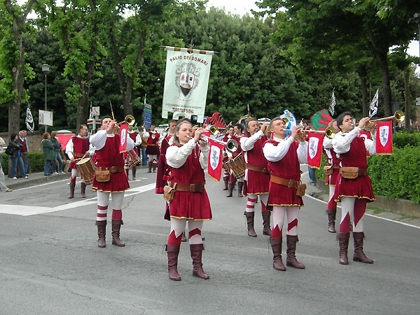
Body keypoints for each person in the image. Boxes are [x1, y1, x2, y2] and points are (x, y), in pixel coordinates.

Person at [164, 119, 211, 281]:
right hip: (181, 194)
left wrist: (205, 148)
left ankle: (197, 267)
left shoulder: (196, 148)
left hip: (197, 193)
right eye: (184, 130)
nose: (188, 132)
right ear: (177, 133)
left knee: (196, 232)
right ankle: (172, 268)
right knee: (177, 231)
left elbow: (205, 166)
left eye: (190, 130)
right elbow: (178, 160)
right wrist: (193, 141)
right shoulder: (172, 149)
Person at [263, 118, 308, 271]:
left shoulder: (293, 143)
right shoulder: (269, 145)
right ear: (271, 130)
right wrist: (291, 138)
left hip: (294, 187)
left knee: (293, 223)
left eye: (283, 124)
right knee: (278, 223)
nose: (282, 126)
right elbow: (276, 156)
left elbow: (304, 159)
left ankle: (291, 256)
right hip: (279, 187)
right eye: (278, 124)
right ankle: (277, 258)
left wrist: (302, 142)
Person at [332, 112, 376, 265]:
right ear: (341, 126)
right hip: (348, 179)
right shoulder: (339, 137)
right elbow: (342, 147)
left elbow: (374, 150)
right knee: (346, 215)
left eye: (351, 119)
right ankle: (343, 252)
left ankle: (358, 251)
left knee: (360, 215)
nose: (350, 121)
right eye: (347, 120)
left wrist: (373, 133)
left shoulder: (361, 138)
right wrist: (358, 128)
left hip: (362, 179)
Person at [90, 116, 135, 248]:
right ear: (102, 125)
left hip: (118, 174)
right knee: (102, 206)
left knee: (117, 206)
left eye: (111, 121)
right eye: (106, 122)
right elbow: (93, 141)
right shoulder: (100, 136)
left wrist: (122, 131)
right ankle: (101, 237)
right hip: (103, 175)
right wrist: (107, 130)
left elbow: (131, 145)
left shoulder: (119, 138)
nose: (109, 123)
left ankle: (116, 236)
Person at [240, 118, 271, 237]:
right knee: (251, 200)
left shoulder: (264, 138)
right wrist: (260, 132)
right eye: (253, 126)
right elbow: (246, 146)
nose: (256, 127)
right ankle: (250, 227)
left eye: (257, 125)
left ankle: (266, 227)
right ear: (248, 129)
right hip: (253, 173)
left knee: (266, 201)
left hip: (264, 174)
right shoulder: (245, 139)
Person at [322, 119, 340, 233]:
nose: (338, 126)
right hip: (335, 169)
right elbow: (326, 144)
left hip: (347, 169)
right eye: (335, 125)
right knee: (333, 197)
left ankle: (348, 222)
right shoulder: (328, 137)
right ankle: (331, 222)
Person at [66, 124, 90, 198]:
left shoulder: (87, 140)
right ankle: (71, 193)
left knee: (84, 176)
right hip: (76, 159)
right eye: (85, 129)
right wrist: (71, 157)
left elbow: (92, 148)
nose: (86, 131)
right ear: (80, 130)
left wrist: (89, 152)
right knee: (73, 175)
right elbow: (68, 148)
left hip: (84, 159)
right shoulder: (73, 139)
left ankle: (83, 192)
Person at [155, 119, 177, 194]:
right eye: (172, 126)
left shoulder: (181, 139)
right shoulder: (166, 140)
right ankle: (169, 204)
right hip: (169, 167)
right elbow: (163, 155)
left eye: (175, 125)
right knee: (171, 189)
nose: (174, 127)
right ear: (169, 127)